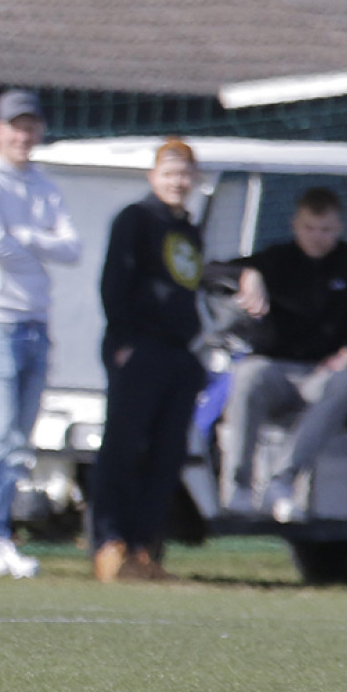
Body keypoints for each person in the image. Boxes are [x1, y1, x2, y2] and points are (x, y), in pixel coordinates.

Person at [0, 89, 82, 579]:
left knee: (19, 438)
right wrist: (33, 245)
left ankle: (0, 536)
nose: (23, 135)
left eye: (30, 126)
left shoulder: (43, 185)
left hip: (35, 322)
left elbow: (72, 248)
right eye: (14, 126)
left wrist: (25, 238)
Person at [92, 138, 222, 583]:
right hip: (140, 348)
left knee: (167, 456)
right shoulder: (136, 219)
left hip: (179, 354)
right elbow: (115, 281)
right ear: (153, 177)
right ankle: (109, 544)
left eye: (184, 173)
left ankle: (143, 548)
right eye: (169, 173)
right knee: (124, 448)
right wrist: (125, 340)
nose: (177, 181)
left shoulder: (187, 228)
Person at [220, 187, 347, 522]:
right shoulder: (274, 260)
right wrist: (246, 276)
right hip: (276, 369)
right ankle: (239, 486)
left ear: (340, 227)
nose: (317, 237)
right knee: (248, 375)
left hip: (322, 372)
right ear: (295, 225)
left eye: (325, 230)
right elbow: (209, 272)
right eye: (310, 228)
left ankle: (281, 481)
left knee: (345, 384)